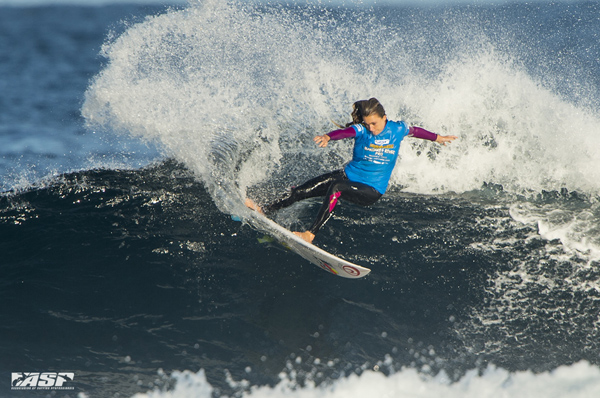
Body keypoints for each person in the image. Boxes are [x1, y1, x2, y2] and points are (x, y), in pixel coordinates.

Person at [245, 98, 457, 243]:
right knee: (301, 190)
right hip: (348, 177)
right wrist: (328, 137)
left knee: (336, 186)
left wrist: (438, 138)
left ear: (385, 118)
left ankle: (310, 234)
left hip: (371, 190)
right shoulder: (362, 130)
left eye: (374, 123)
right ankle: (266, 208)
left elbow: (416, 130)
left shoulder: (397, 128)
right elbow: (345, 132)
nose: (371, 129)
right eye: (367, 124)